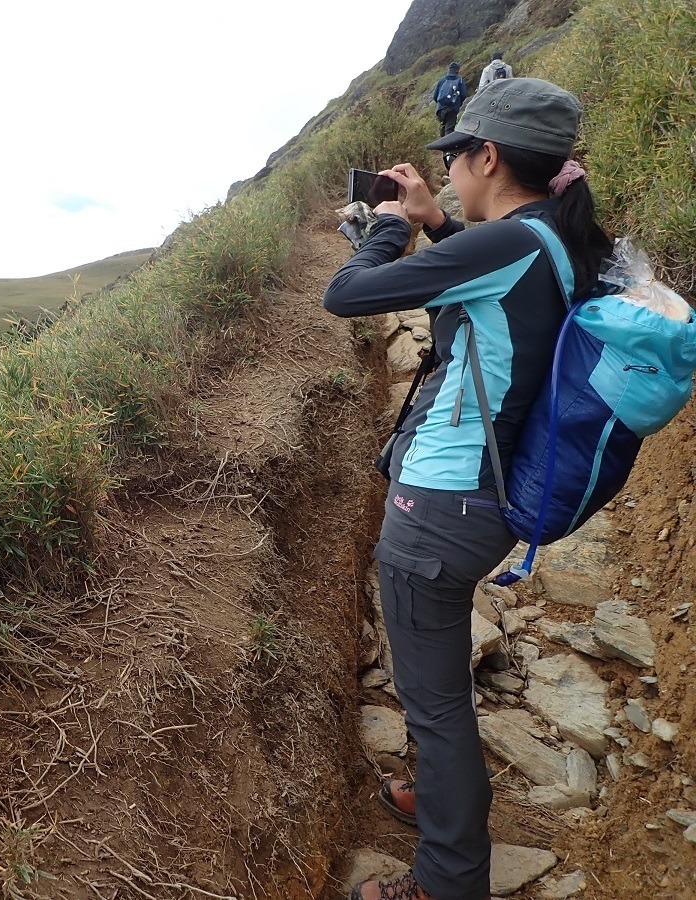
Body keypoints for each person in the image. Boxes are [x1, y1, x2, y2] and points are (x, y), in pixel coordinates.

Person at [323, 77, 612, 900]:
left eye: (454, 159)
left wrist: (383, 228)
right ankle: (443, 803)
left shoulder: (510, 244)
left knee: (437, 703)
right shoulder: (550, 236)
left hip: (439, 510)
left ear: (487, 156)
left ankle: (449, 879)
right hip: (481, 499)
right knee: (436, 689)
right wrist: (433, 223)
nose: (445, 171)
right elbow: (493, 305)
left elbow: (346, 294)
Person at [432, 62, 467, 137]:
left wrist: (441, 103)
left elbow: (435, 96)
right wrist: (457, 104)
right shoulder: (460, 80)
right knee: (449, 129)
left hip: (440, 109)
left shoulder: (441, 81)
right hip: (452, 109)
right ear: (457, 71)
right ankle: (448, 147)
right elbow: (463, 94)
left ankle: (441, 147)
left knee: (442, 128)